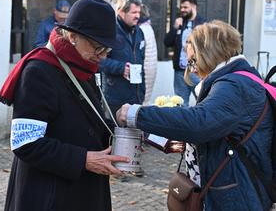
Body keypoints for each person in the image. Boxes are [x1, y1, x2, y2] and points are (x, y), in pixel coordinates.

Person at [117, 20, 274, 210]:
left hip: (237, 198)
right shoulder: (233, 79)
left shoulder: (234, 86)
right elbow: (216, 133)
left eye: (192, 61)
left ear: (209, 53)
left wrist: (136, 114)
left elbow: (200, 123)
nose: (191, 69)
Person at [0, 0, 130, 211]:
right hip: (48, 194)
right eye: (98, 47)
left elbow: (85, 118)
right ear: (73, 36)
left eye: (107, 50)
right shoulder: (39, 71)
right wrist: (83, 159)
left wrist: (122, 133)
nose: (103, 56)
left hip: (83, 190)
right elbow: (25, 142)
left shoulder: (82, 65)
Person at [99, 0, 145, 116]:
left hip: (136, 96)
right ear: (121, 12)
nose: (137, 16)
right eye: (134, 13)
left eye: (139, 12)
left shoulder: (139, 31)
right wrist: (121, 68)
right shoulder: (109, 31)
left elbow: (141, 61)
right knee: (116, 133)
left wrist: (142, 92)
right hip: (115, 97)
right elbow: (97, 60)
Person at [164, 0, 206, 106]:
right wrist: (175, 27)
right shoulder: (180, 23)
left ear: (194, 7)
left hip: (197, 71)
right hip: (180, 72)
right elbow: (167, 42)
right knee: (180, 103)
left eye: (185, 7)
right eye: (181, 7)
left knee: (203, 101)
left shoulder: (203, 24)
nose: (182, 10)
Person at [138, 4, 158, 106]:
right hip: (150, 68)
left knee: (143, 101)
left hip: (145, 69)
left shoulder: (141, 29)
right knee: (145, 99)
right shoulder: (147, 26)